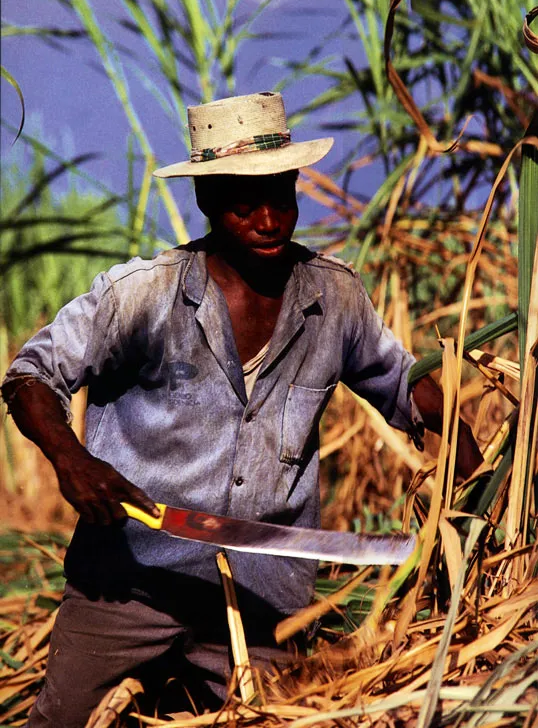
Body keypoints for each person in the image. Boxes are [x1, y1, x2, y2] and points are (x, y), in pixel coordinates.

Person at [2, 92, 482, 727]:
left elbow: (400, 382)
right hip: (130, 583)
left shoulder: (333, 299)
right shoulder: (142, 297)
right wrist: (70, 458)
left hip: (262, 598)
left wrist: (465, 438)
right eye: (243, 203)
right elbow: (30, 374)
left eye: (280, 196)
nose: (268, 219)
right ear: (206, 201)